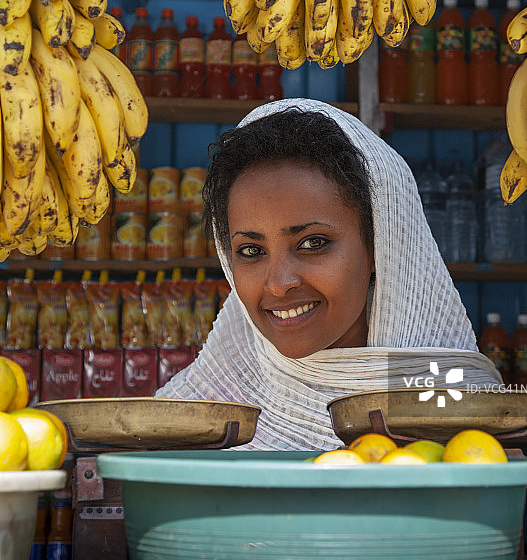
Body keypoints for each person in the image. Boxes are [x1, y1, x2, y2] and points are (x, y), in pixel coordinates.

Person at [156, 98, 502, 449]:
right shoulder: (202, 410)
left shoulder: (459, 405)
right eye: (251, 251)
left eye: (313, 243)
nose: (278, 283)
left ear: (378, 246)